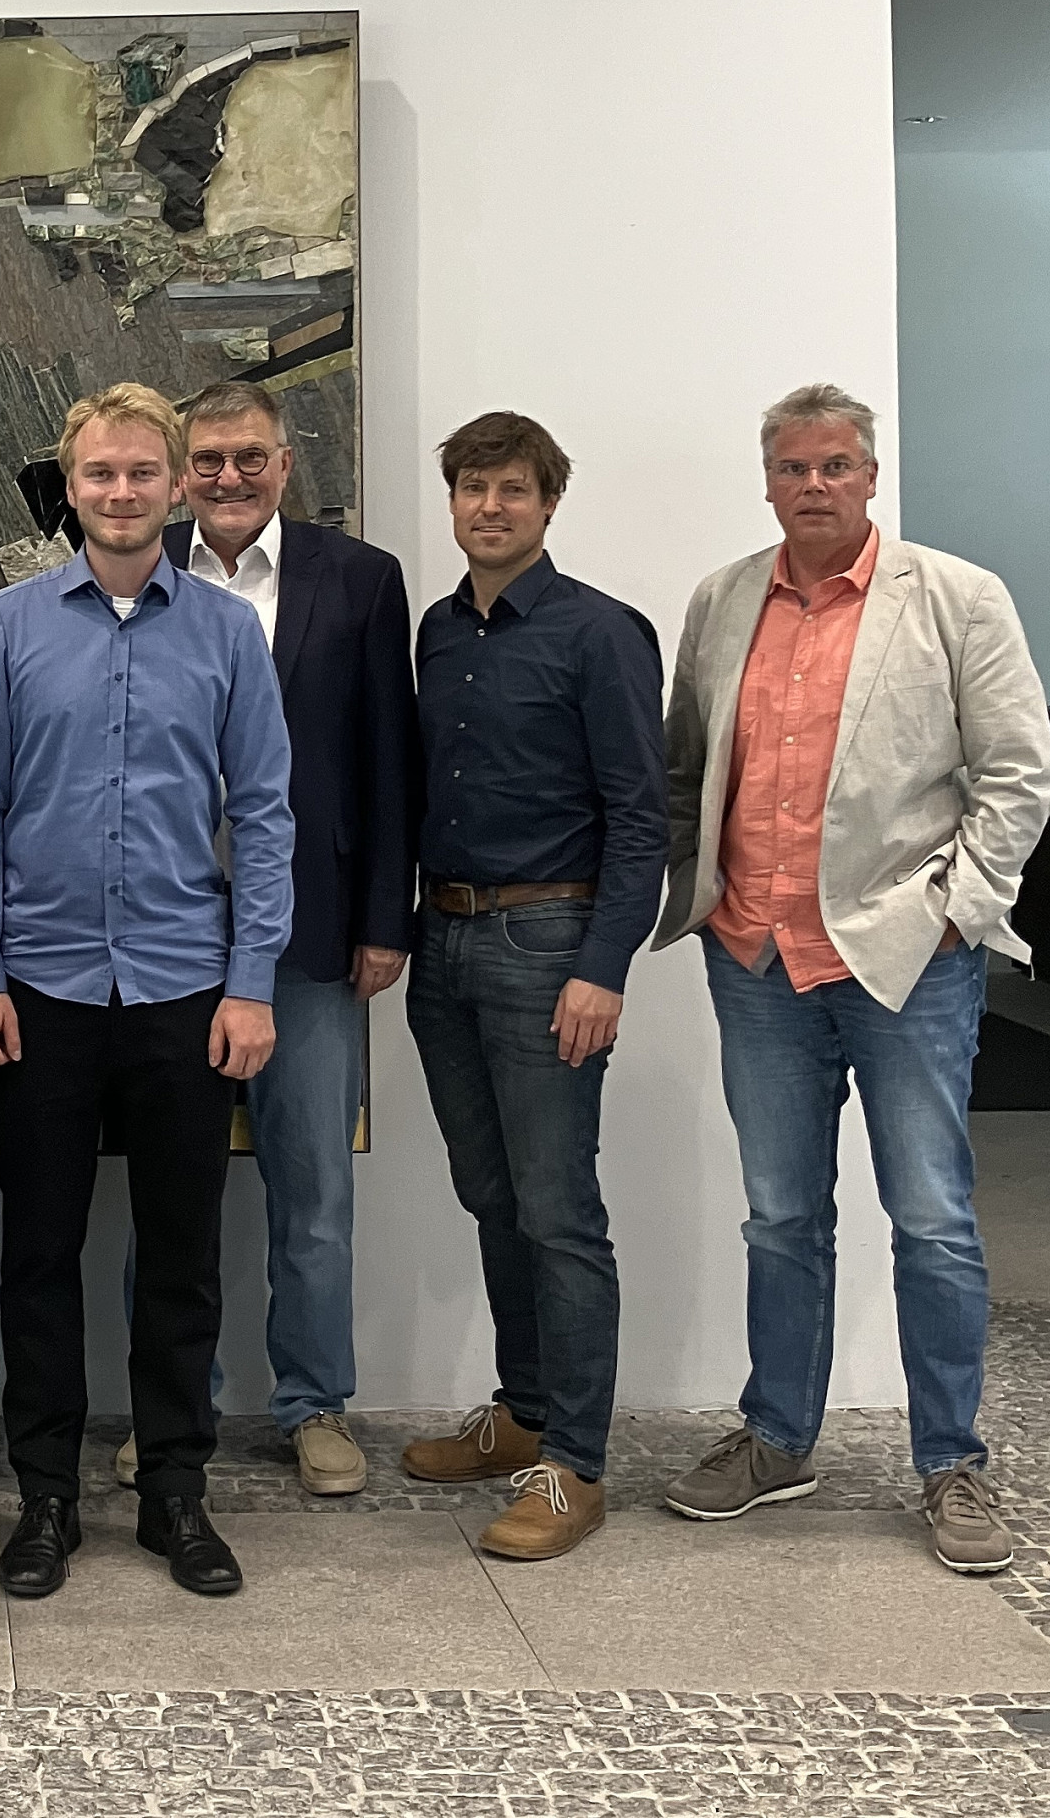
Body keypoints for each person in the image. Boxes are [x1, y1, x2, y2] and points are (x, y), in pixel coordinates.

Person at [653, 384, 1050, 1573]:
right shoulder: (722, 600)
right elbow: (684, 766)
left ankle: (951, 1461)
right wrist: (695, 895)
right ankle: (778, 1437)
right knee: (780, 1216)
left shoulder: (954, 598)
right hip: (755, 956)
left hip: (902, 961)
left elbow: (1019, 774)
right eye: (793, 467)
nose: (813, 485)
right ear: (766, 480)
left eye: (835, 465)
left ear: (870, 476)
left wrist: (954, 913)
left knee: (930, 1218)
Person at [0, 381, 294, 1601]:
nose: (122, 491)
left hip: (187, 989)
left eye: (143, 472)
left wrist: (251, 983)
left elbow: (264, 815)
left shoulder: (228, 633)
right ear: (70, 485)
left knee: (182, 1257)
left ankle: (175, 1491)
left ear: (176, 484)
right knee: (35, 1254)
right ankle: (43, 1495)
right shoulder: (11, 628)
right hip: (37, 992)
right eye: (100, 473)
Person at [109, 381, 419, 1497]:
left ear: (286, 464)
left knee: (313, 1186)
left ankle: (314, 1401)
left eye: (250, 457)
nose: (228, 476)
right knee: (167, 1191)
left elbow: (388, 756)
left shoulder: (360, 579)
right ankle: (169, 1404)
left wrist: (386, 917)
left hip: (313, 933)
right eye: (208, 459)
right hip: (169, 934)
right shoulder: (140, 571)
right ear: (180, 473)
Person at [398, 411, 665, 1561]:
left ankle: (576, 1466)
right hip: (443, 940)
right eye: (473, 487)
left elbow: (642, 817)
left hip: (547, 942)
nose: (490, 506)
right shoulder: (436, 630)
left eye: (512, 488)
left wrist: (601, 967)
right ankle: (521, 1410)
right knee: (490, 1194)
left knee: (559, 1211)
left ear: (548, 502)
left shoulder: (601, 632)